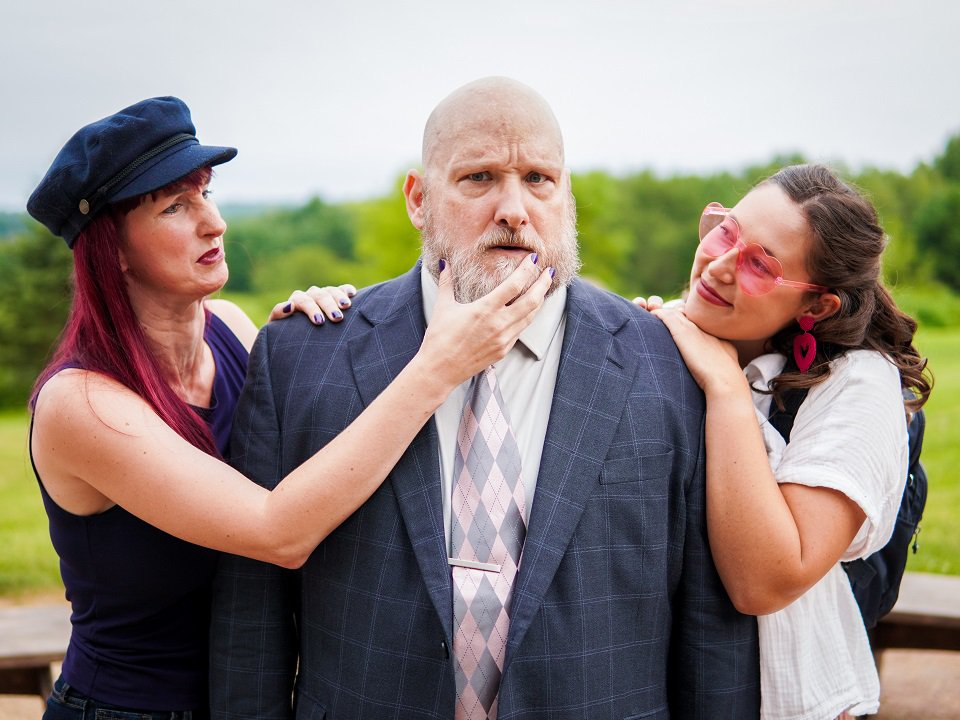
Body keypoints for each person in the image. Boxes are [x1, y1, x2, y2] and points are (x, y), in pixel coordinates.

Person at [210, 77, 760, 719]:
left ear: (567, 194)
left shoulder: (666, 361)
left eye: (538, 179)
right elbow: (251, 622)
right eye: (479, 178)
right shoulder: (302, 356)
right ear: (418, 199)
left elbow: (709, 626)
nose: (514, 208)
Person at [26, 96, 552, 719]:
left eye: (206, 193)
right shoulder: (81, 403)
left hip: (240, 698)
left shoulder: (230, 326)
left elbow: (297, 437)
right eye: (175, 206)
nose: (212, 223)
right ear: (111, 250)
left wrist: (308, 343)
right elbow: (279, 531)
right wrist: (438, 366)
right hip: (126, 711)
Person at [635, 164, 932, 719]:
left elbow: (765, 581)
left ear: (816, 306)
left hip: (786, 701)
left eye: (758, 265)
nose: (718, 265)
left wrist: (724, 386)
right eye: (726, 230)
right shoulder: (661, 330)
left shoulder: (859, 383)